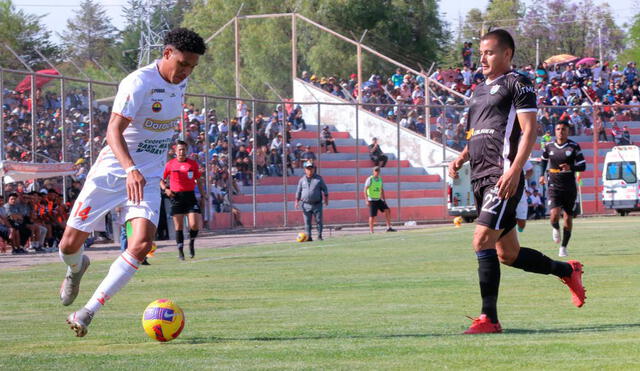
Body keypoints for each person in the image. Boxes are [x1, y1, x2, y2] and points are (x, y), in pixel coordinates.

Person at [58, 28, 206, 337]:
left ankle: (87, 311)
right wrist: (129, 169)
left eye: (191, 66)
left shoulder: (181, 82)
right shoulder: (138, 82)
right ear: (166, 54)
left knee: (141, 244)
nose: (185, 72)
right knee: (68, 245)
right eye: (182, 64)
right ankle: (76, 268)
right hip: (114, 172)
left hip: (148, 178)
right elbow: (113, 131)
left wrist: (142, 171)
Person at [448, 29, 585, 335]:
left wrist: (515, 169)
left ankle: (490, 319)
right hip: (480, 177)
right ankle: (567, 270)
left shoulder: (518, 83)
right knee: (507, 254)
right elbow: (482, 133)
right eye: (481, 53)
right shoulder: (477, 92)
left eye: (490, 52)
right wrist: (461, 157)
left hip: (503, 176)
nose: (483, 58)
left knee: (481, 240)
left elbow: (529, 130)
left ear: (506, 54)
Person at [539, 122, 586, 257]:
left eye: (563, 129)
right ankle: (555, 228)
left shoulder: (574, 146)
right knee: (554, 214)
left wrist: (571, 167)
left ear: (568, 131)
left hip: (569, 186)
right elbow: (543, 160)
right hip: (554, 184)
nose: (561, 131)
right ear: (555, 131)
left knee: (567, 218)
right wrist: (542, 175)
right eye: (558, 129)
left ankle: (563, 247)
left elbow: (583, 166)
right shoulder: (549, 146)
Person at [161, 140, 206, 260]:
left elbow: (199, 180)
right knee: (179, 226)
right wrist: (166, 189)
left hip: (190, 196)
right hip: (176, 197)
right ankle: (180, 251)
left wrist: (203, 194)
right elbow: (160, 179)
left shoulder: (192, 164)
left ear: (187, 151)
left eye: (183, 149)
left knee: (194, 224)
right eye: (179, 149)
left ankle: (191, 242)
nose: (181, 152)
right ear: (175, 151)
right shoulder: (170, 164)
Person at [294, 161, 329, 241]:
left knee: (319, 220)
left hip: (317, 204)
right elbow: (298, 191)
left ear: (314, 169)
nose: (310, 170)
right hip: (306, 204)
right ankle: (309, 236)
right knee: (307, 222)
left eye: (311, 168)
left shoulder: (319, 179)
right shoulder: (302, 180)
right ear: (305, 170)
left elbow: (325, 189)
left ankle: (319, 235)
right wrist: (296, 201)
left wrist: (326, 199)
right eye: (308, 169)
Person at [364, 166, 396, 233]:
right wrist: (366, 200)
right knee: (372, 216)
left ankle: (389, 227)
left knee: (387, 210)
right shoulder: (370, 179)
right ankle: (371, 231)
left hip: (378, 199)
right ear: (373, 172)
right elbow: (365, 190)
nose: (377, 172)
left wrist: (384, 200)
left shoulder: (380, 179)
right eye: (376, 171)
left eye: (378, 171)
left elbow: (381, 189)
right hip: (372, 200)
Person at [515, 160, 534, 232]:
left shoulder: (520, 154)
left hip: (520, 192)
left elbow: (530, 171)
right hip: (504, 192)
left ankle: (518, 231)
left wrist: (521, 179)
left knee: (522, 223)